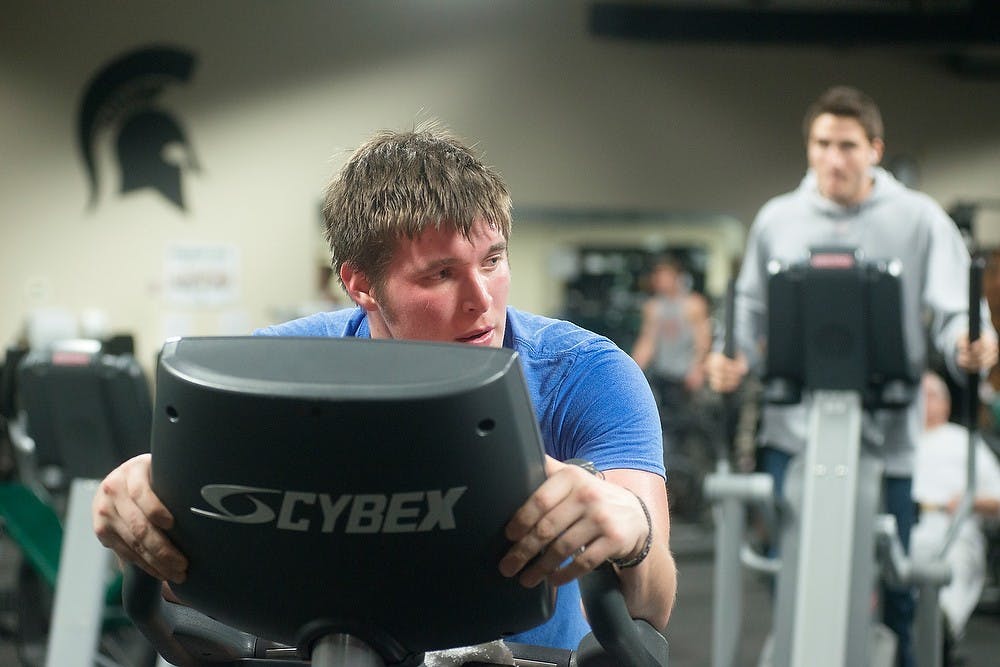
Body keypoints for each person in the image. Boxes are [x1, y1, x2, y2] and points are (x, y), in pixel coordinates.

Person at [91, 125, 677, 652]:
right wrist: (141, 521)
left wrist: (632, 530)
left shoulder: (587, 373)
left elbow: (653, 606)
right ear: (360, 284)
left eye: (493, 261)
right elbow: (186, 586)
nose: (481, 299)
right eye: (440, 274)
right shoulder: (277, 373)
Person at [705, 85, 998, 667]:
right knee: (787, 576)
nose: (833, 159)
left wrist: (971, 343)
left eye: (847, 145)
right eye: (821, 144)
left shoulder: (918, 219)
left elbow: (956, 312)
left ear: (875, 150)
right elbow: (748, 314)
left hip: (888, 439)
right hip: (793, 433)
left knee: (898, 592)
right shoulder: (778, 219)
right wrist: (728, 356)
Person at [911, 372, 1000, 662]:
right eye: (919, 395)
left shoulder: (964, 441)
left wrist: (970, 501)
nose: (923, 402)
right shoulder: (898, 442)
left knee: (953, 565)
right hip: (905, 524)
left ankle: (941, 625)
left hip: (953, 526)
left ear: (946, 404)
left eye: (931, 395)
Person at [630, 256, 712, 457]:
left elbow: (703, 340)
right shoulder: (653, 307)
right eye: (657, 277)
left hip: (687, 377)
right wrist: (630, 370)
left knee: (691, 429)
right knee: (664, 426)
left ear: (676, 277)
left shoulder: (693, 304)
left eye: (664, 276)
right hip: (664, 376)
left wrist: (698, 368)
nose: (659, 281)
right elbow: (647, 342)